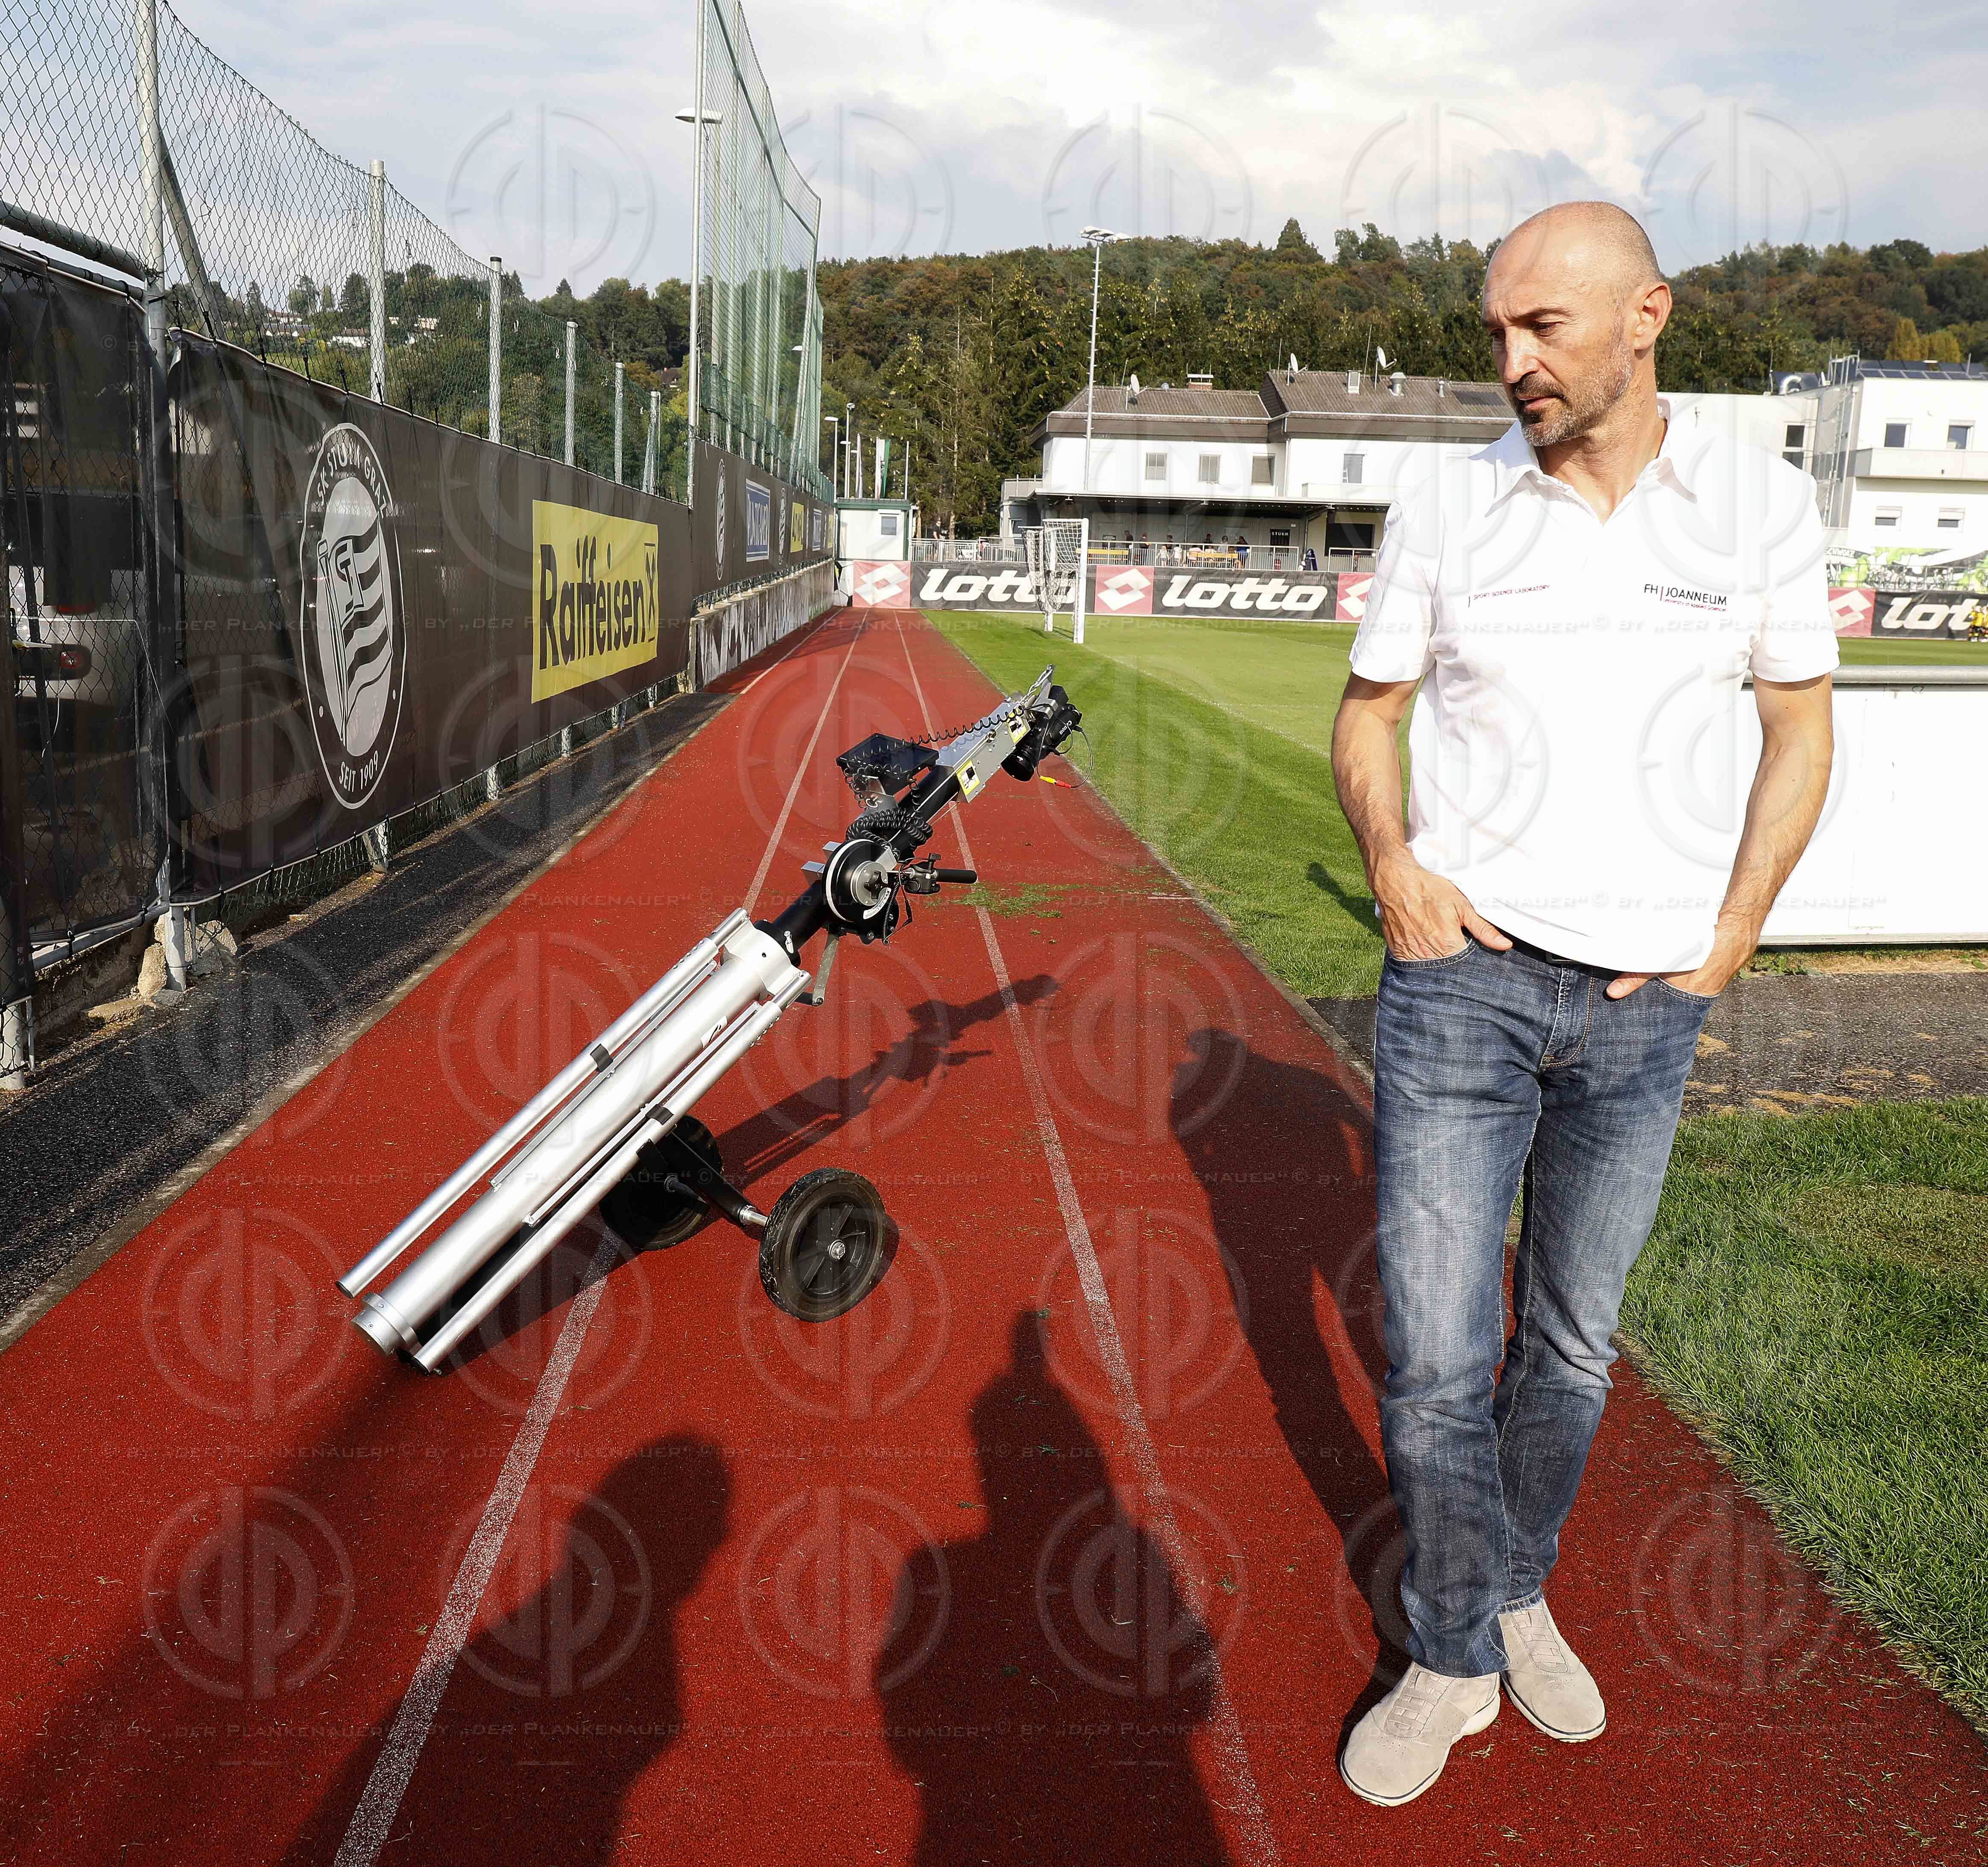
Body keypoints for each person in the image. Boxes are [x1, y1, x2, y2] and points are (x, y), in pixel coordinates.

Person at [1328, 201, 1837, 1808]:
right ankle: (1448, 1649)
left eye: (1541, 327)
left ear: (1648, 317)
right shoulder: (1448, 501)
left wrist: (1732, 937)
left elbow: (1802, 730)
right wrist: (1396, 862)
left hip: (1645, 1005)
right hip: (1463, 989)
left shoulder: (1756, 507)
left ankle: (1508, 1580)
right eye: (1494, 331)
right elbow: (1369, 715)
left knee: (1568, 1344)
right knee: (1426, 1354)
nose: (1512, 360)